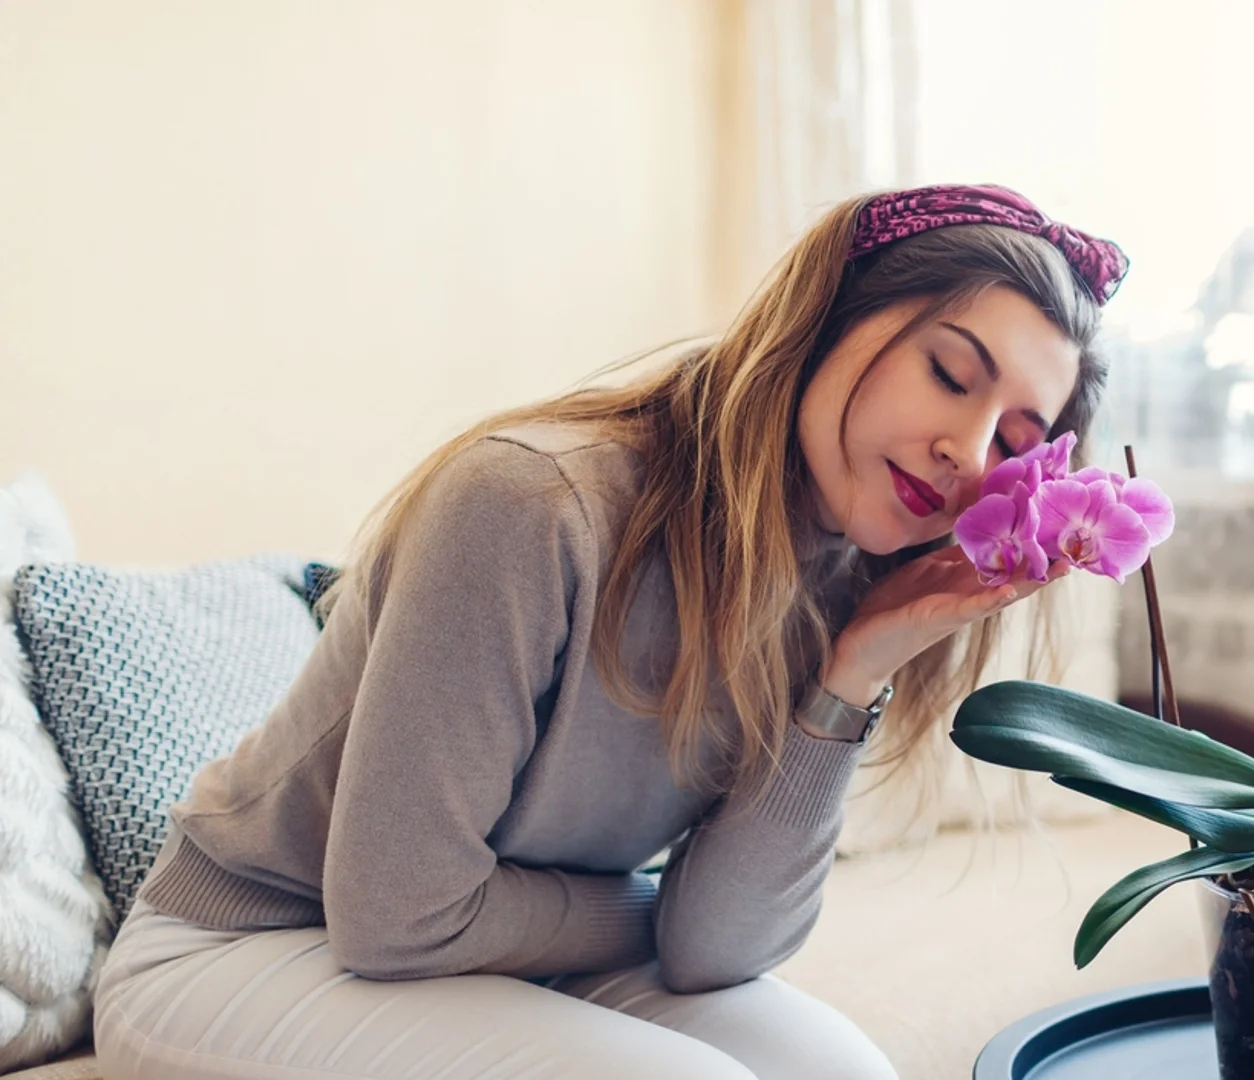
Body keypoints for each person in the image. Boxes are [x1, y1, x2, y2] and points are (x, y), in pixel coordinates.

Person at [90, 184, 1129, 1080]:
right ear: (828, 318)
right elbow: (398, 916)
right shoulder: (531, 503)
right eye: (950, 374)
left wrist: (852, 673)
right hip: (248, 945)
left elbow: (718, 950)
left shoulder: (847, 584)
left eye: (1016, 439)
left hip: (489, 945)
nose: (968, 446)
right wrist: (646, 911)